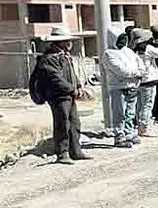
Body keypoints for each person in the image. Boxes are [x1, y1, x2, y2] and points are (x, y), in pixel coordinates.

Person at [31, 28, 91, 164]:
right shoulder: (48, 59)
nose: (69, 43)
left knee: (74, 124)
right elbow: (56, 79)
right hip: (58, 97)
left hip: (69, 95)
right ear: (59, 42)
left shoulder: (64, 56)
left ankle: (76, 151)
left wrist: (79, 86)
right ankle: (62, 154)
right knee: (62, 124)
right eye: (67, 40)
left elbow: (72, 75)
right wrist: (72, 90)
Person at [102, 28, 146, 148]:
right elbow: (121, 71)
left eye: (124, 38)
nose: (123, 41)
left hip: (132, 86)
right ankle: (119, 136)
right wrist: (136, 74)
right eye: (120, 39)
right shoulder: (109, 53)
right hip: (118, 88)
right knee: (119, 114)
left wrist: (138, 73)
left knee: (130, 113)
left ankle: (129, 134)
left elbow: (141, 65)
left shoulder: (128, 51)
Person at [132, 28, 158, 138]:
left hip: (138, 79)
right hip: (148, 79)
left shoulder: (132, 48)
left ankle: (139, 124)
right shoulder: (146, 48)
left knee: (139, 104)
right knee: (147, 105)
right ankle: (144, 128)